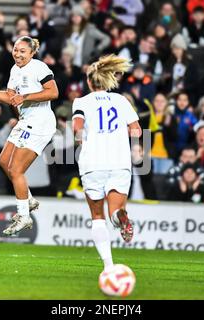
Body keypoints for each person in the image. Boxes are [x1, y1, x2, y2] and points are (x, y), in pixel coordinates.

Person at [0, 36, 59, 235]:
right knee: (4, 161)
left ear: (32, 53)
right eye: (15, 49)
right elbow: (9, 97)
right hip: (25, 121)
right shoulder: (14, 69)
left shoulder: (39, 67)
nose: (17, 53)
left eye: (22, 51)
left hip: (40, 122)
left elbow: (53, 92)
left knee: (16, 169)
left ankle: (24, 216)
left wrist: (26, 97)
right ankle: (28, 200)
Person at [72, 54, 141, 271]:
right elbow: (136, 129)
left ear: (90, 82)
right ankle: (121, 217)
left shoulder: (81, 102)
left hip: (93, 163)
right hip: (120, 162)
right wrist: (136, 146)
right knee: (114, 210)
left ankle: (108, 266)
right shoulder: (121, 100)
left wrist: (80, 138)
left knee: (97, 216)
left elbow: (77, 128)